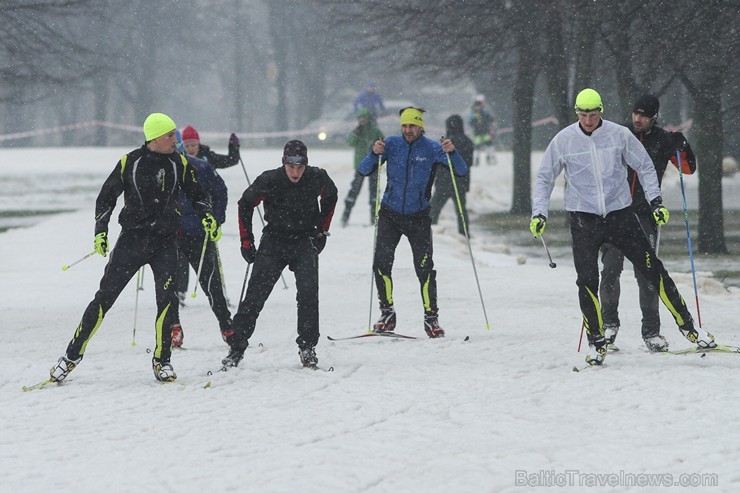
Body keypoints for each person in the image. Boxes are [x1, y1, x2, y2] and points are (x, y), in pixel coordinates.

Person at [531, 88, 715, 366]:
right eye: (583, 115)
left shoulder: (618, 134)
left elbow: (645, 166)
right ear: (577, 114)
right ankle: (598, 341)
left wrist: (656, 202)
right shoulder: (564, 140)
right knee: (588, 280)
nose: (589, 120)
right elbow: (544, 177)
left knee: (653, 269)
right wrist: (539, 213)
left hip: (620, 215)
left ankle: (689, 328)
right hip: (584, 220)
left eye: (593, 114)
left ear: (600, 111)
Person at [48, 113, 220, 383]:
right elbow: (106, 197)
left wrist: (207, 214)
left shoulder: (180, 162)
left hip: (165, 242)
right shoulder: (131, 161)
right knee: (104, 298)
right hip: (132, 241)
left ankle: (162, 361)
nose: (175, 140)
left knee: (167, 301)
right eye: (169, 135)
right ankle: (71, 356)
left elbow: (197, 193)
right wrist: (100, 232)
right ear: (154, 138)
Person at [221, 140, 338, 369]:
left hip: (305, 240)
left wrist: (322, 230)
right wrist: (247, 241)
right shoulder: (270, 179)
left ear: (306, 164)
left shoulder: (317, 177)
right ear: (283, 163)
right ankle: (237, 347)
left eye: (300, 166)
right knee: (255, 296)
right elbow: (244, 204)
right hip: (274, 241)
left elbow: (331, 197)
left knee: (308, 295)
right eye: (291, 166)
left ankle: (307, 347)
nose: (295, 172)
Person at [599, 94, 697, 352]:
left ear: (654, 117)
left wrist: (683, 146)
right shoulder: (618, 134)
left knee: (648, 276)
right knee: (610, 270)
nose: (637, 119)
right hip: (614, 213)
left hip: (645, 214)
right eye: (635, 113)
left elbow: (688, 169)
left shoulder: (663, 139)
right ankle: (608, 326)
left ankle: (651, 333)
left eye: (644, 115)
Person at [359, 107, 469, 338]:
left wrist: (453, 152)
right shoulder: (391, 144)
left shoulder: (432, 148)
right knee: (381, 264)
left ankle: (431, 318)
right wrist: (373, 152)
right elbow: (364, 169)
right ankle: (387, 313)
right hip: (390, 214)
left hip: (418, 216)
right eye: (404, 126)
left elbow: (461, 170)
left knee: (424, 268)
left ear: (421, 127)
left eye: (412, 126)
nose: (408, 130)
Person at [171, 130, 233, 348]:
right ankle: (173, 328)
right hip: (168, 236)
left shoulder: (201, 167)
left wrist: (217, 219)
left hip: (198, 234)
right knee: (168, 286)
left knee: (211, 282)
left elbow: (220, 192)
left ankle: (227, 326)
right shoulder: (155, 169)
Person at [430, 114, 474, 236]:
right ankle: (464, 232)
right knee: (461, 210)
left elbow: (437, 163)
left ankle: (429, 231)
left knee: (434, 209)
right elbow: (469, 162)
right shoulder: (467, 142)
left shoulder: (444, 143)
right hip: (460, 181)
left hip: (444, 182)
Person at [341, 108, 385, 227]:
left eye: (365, 118)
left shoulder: (375, 131)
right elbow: (350, 142)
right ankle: (345, 215)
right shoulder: (357, 131)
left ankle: (374, 217)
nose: (363, 120)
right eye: (360, 118)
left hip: (374, 165)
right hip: (360, 166)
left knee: (374, 192)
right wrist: (356, 134)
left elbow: (383, 143)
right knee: (354, 191)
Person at [467, 94, 496, 166]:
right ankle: (489, 158)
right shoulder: (485, 109)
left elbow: (469, 122)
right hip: (485, 131)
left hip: (477, 132)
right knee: (489, 144)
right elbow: (491, 118)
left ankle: (476, 160)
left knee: (477, 146)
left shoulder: (473, 110)